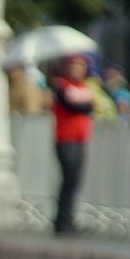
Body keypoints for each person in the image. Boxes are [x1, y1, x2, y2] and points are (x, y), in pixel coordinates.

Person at [51, 55, 94, 234]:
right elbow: (73, 105)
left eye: (81, 65)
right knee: (68, 179)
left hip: (80, 138)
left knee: (75, 180)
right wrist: (81, 104)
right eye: (74, 65)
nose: (78, 69)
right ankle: (62, 220)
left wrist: (81, 104)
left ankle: (69, 218)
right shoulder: (61, 85)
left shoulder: (85, 87)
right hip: (65, 138)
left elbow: (89, 107)